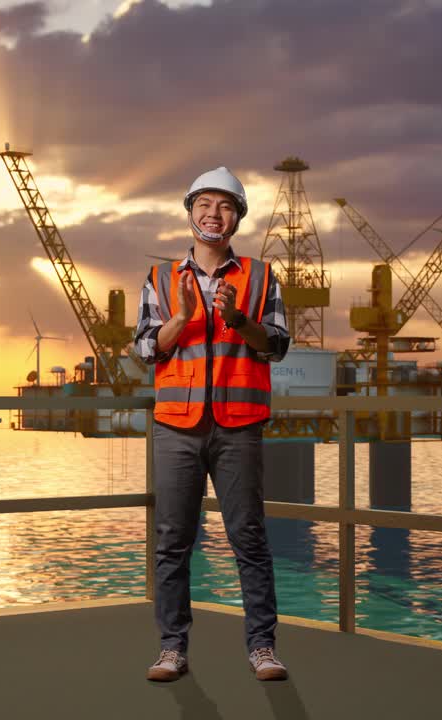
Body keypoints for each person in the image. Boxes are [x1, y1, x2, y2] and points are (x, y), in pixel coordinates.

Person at [132, 166, 291, 682]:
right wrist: (178, 319)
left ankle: (262, 647)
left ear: (237, 218)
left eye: (224, 206)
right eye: (204, 204)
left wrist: (241, 321)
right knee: (172, 539)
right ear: (190, 212)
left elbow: (280, 345)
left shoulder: (261, 277)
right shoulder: (159, 279)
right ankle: (172, 649)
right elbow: (142, 351)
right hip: (177, 425)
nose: (213, 214)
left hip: (238, 425)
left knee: (248, 535)